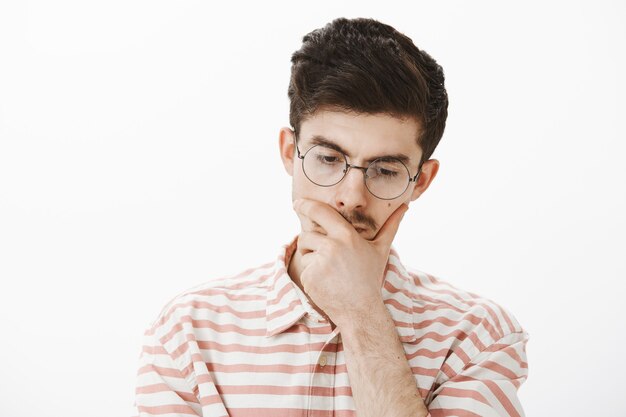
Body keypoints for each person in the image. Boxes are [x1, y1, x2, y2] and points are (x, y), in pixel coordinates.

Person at [133, 17, 529, 417]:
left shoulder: (477, 336)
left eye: (385, 170)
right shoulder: (187, 332)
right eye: (327, 159)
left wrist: (362, 313)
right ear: (290, 153)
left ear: (420, 181)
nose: (350, 197)